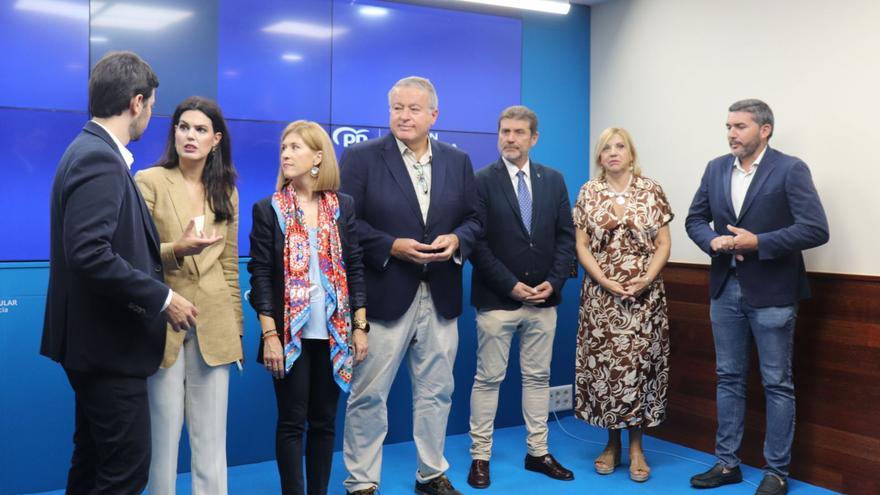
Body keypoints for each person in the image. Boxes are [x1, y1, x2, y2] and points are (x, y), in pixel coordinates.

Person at [40, 51, 199, 494]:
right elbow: (90, 253)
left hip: (94, 345)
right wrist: (163, 298)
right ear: (136, 102)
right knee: (125, 469)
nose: (152, 114)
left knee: (92, 461)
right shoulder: (99, 159)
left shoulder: (92, 151)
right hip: (106, 348)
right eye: (152, 105)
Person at [340, 76, 480, 495]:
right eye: (397, 107)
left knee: (437, 393)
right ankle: (362, 482)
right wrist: (390, 246)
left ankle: (431, 474)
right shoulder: (361, 157)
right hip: (384, 294)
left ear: (433, 115)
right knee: (367, 395)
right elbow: (345, 224)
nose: (404, 115)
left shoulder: (458, 161)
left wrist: (457, 240)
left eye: (414, 108)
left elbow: (475, 221)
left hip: (440, 294)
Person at [686, 99, 829, 495]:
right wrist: (710, 240)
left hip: (773, 293)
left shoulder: (790, 169)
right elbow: (694, 218)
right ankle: (727, 463)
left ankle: (776, 471)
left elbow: (816, 229)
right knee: (728, 378)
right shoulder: (716, 168)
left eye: (740, 126)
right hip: (724, 290)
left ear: (764, 130)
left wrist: (759, 241)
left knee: (776, 382)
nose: (731, 133)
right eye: (728, 126)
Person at [248, 120, 368, 495]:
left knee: (325, 422)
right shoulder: (269, 209)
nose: (286, 153)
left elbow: (355, 267)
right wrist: (270, 335)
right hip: (290, 335)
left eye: (296, 147)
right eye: (284, 147)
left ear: (318, 157)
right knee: (291, 422)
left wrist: (360, 326)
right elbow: (261, 276)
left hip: (333, 333)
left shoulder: (341, 206)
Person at [134, 96, 242, 495]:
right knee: (162, 439)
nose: (190, 136)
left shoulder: (226, 190)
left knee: (212, 440)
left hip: (214, 325)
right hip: (163, 321)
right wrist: (175, 250)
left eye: (200, 130)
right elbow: (136, 254)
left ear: (216, 139)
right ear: (174, 132)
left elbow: (230, 266)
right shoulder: (150, 180)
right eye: (183, 127)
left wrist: (237, 331)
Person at [466, 105, 576, 489]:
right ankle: (480, 457)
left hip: (544, 300)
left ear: (534, 138)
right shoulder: (480, 181)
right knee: (488, 379)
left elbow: (566, 237)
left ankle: (538, 452)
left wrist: (555, 281)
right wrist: (510, 285)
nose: (509, 138)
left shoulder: (554, 180)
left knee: (538, 378)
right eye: (504, 131)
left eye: (517, 132)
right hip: (498, 300)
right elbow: (476, 243)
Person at [572, 127, 673, 483]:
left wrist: (645, 279)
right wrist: (605, 280)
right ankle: (611, 443)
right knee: (608, 370)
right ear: (599, 157)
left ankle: (636, 447)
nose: (613, 153)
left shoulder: (652, 190)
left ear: (631, 154)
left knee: (639, 367)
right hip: (602, 295)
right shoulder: (589, 192)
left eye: (620, 147)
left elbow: (663, 243)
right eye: (606, 149)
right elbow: (582, 245)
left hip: (645, 295)